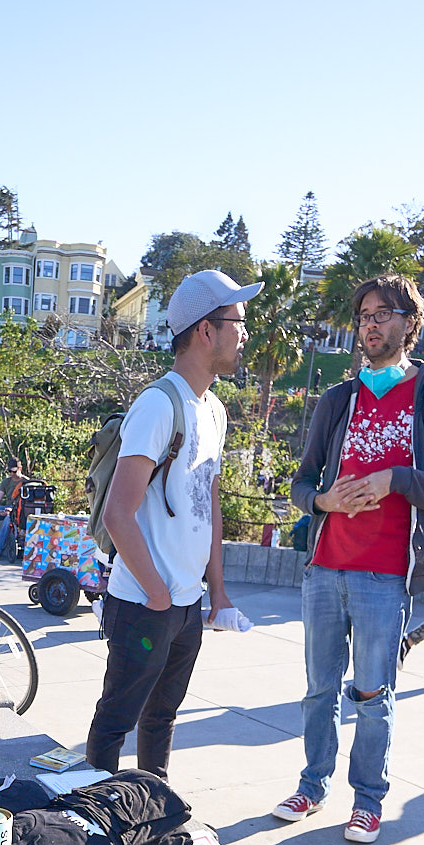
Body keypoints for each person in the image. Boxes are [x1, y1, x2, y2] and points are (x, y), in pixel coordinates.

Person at [274, 273, 424, 842]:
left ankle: (368, 799)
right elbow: (301, 482)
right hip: (325, 568)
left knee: (372, 693)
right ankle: (312, 785)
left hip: (386, 575)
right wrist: (321, 499)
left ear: (411, 322)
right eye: (364, 315)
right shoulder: (339, 399)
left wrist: (394, 480)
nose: (371, 324)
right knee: (319, 689)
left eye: (384, 313)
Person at [84, 270, 256, 777]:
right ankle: (98, 818)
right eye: (237, 322)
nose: (244, 333)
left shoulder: (214, 410)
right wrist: (158, 594)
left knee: (162, 719)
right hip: (144, 603)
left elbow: (210, 504)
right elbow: (118, 511)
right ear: (206, 330)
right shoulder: (159, 405)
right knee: (117, 720)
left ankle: (152, 809)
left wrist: (216, 591)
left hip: (186, 604)